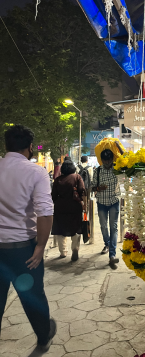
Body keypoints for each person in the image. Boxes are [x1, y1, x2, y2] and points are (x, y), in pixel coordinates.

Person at [0, 125, 56, 353]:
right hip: (23, 250)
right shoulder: (35, 172)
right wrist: (41, 246)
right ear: (30, 147)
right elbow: (44, 212)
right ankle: (43, 337)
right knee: (32, 296)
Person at [51, 161, 86, 261]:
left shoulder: (57, 180)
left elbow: (53, 196)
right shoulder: (77, 177)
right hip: (75, 206)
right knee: (75, 228)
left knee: (61, 229)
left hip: (60, 207)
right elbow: (81, 190)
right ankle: (75, 248)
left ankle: (63, 252)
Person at [91, 149, 120, 270]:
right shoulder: (97, 171)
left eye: (109, 160)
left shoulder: (118, 169)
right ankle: (107, 243)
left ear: (112, 159)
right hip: (101, 202)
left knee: (113, 226)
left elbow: (128, 165)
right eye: (105, 160)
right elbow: (92, 187)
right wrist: (99, 187)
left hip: (114, 201)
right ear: (101, 160)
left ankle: (112, 255)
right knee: (103, 226)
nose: (107, 162)